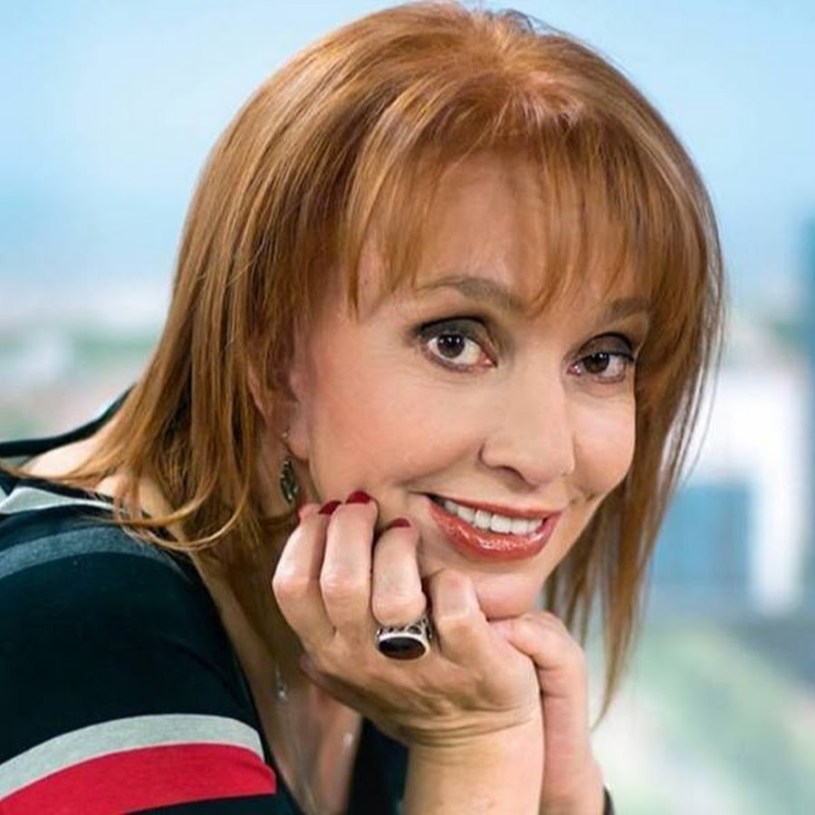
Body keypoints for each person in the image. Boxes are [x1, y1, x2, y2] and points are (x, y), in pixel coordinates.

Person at [0, 2, 724, 813]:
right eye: (455, 341)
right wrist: (474, 746)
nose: (545, 453)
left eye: (599, 358)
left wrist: (566, 798)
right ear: (271, 360)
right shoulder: (75, 625)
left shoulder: (399, 617)